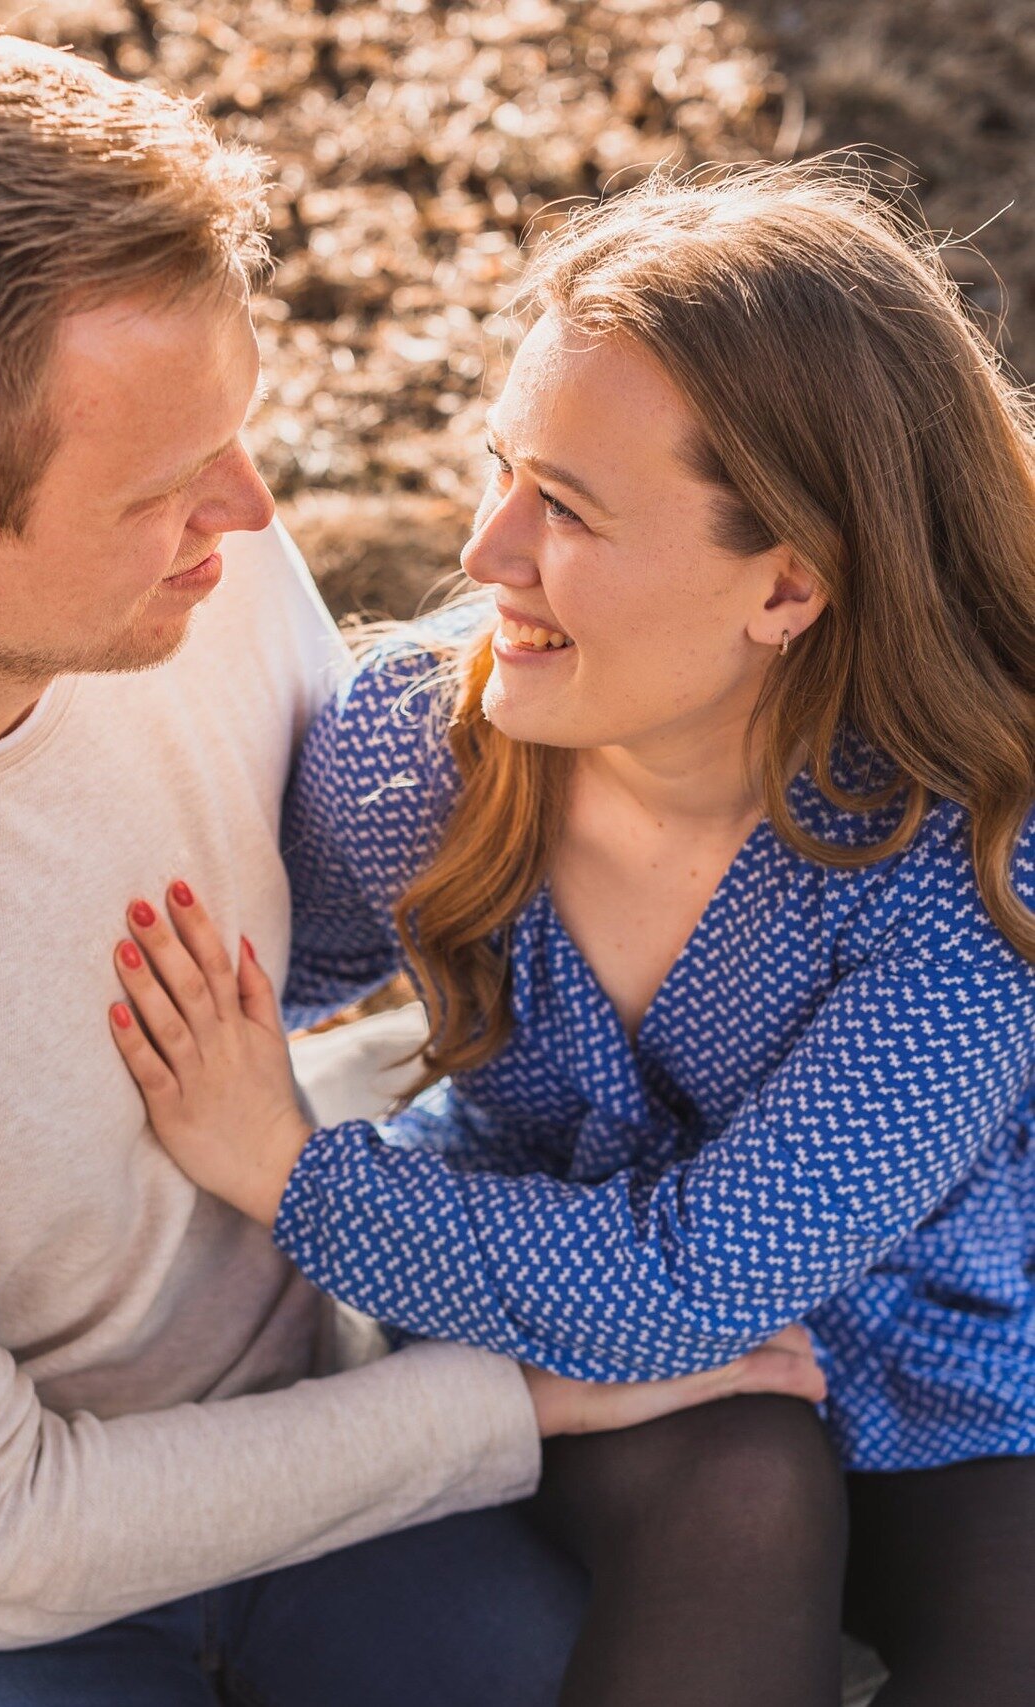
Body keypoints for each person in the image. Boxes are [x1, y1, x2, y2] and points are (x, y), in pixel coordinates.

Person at [0, 7, 830, 1705]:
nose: (245, 512)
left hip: (304, 1424)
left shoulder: (177, 578)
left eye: (234, 430)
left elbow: (423, 876)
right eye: (163, 482)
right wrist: (522, 1397)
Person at [109, 164, 1035, 1707]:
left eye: (570, 510)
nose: (484, 554)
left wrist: (287, 1171)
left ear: (787, 583)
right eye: (503, 471)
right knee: (740, 1487)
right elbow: (264, 972)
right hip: (554, 1336)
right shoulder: (416, 759)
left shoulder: (968, 886)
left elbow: (688, 1277)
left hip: (950, 1373)